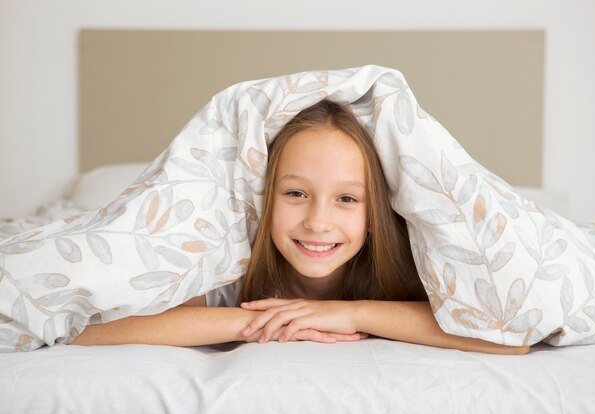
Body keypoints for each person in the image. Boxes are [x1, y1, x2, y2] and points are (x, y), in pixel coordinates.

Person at [71, 99, 529, 355]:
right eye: (295, 194)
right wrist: (257, 323)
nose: (318, 222)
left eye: (347, 199)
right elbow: (84, 328)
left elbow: (513, 341)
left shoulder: (408, 267)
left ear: (377, 213)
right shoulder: (218, 262)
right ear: (262, 197)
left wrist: (351, 314)